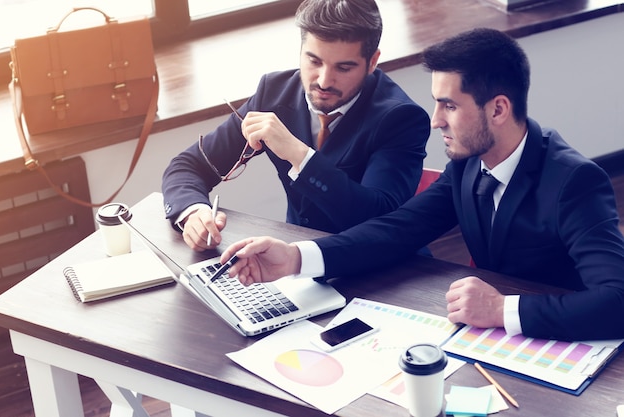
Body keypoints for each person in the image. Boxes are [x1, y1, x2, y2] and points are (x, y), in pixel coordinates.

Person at [220, 28, 624, 342]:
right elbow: (396, 231)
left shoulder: (574, 182)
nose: (436, 120)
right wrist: (294, 258)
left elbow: (617, 302)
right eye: (436, 103)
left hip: (567, 348)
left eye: (449, 105)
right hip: (489, 340)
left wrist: (502, 310)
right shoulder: (468, 165)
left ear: (498, 108)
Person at [162, 0, 430, 251]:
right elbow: (188, 166)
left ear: (372, 62)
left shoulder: (401, 118)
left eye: (344, 68)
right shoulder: (274, 93)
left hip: (381, 270)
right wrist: (194, 212)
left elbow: (377, 218)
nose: (324, 81)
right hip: (292, 263)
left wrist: (300, 155)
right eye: (314, 61)